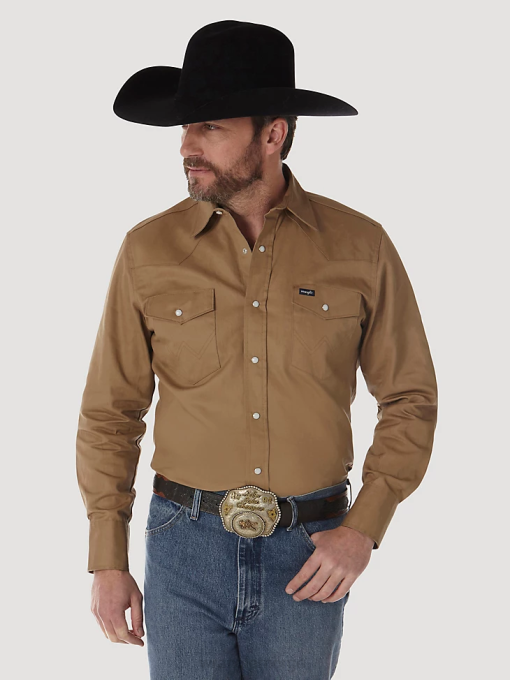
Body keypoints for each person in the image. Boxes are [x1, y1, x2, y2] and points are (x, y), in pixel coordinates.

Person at [76, 19, 438, 680]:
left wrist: (364, 528)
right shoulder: (147, 250)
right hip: (182, 547)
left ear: (273, 135)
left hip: (310, 551)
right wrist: (107, 557)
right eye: (185, 127)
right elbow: (110, 412)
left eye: (210, 126)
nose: (187, 145)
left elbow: (410, 397)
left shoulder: (361, 247)